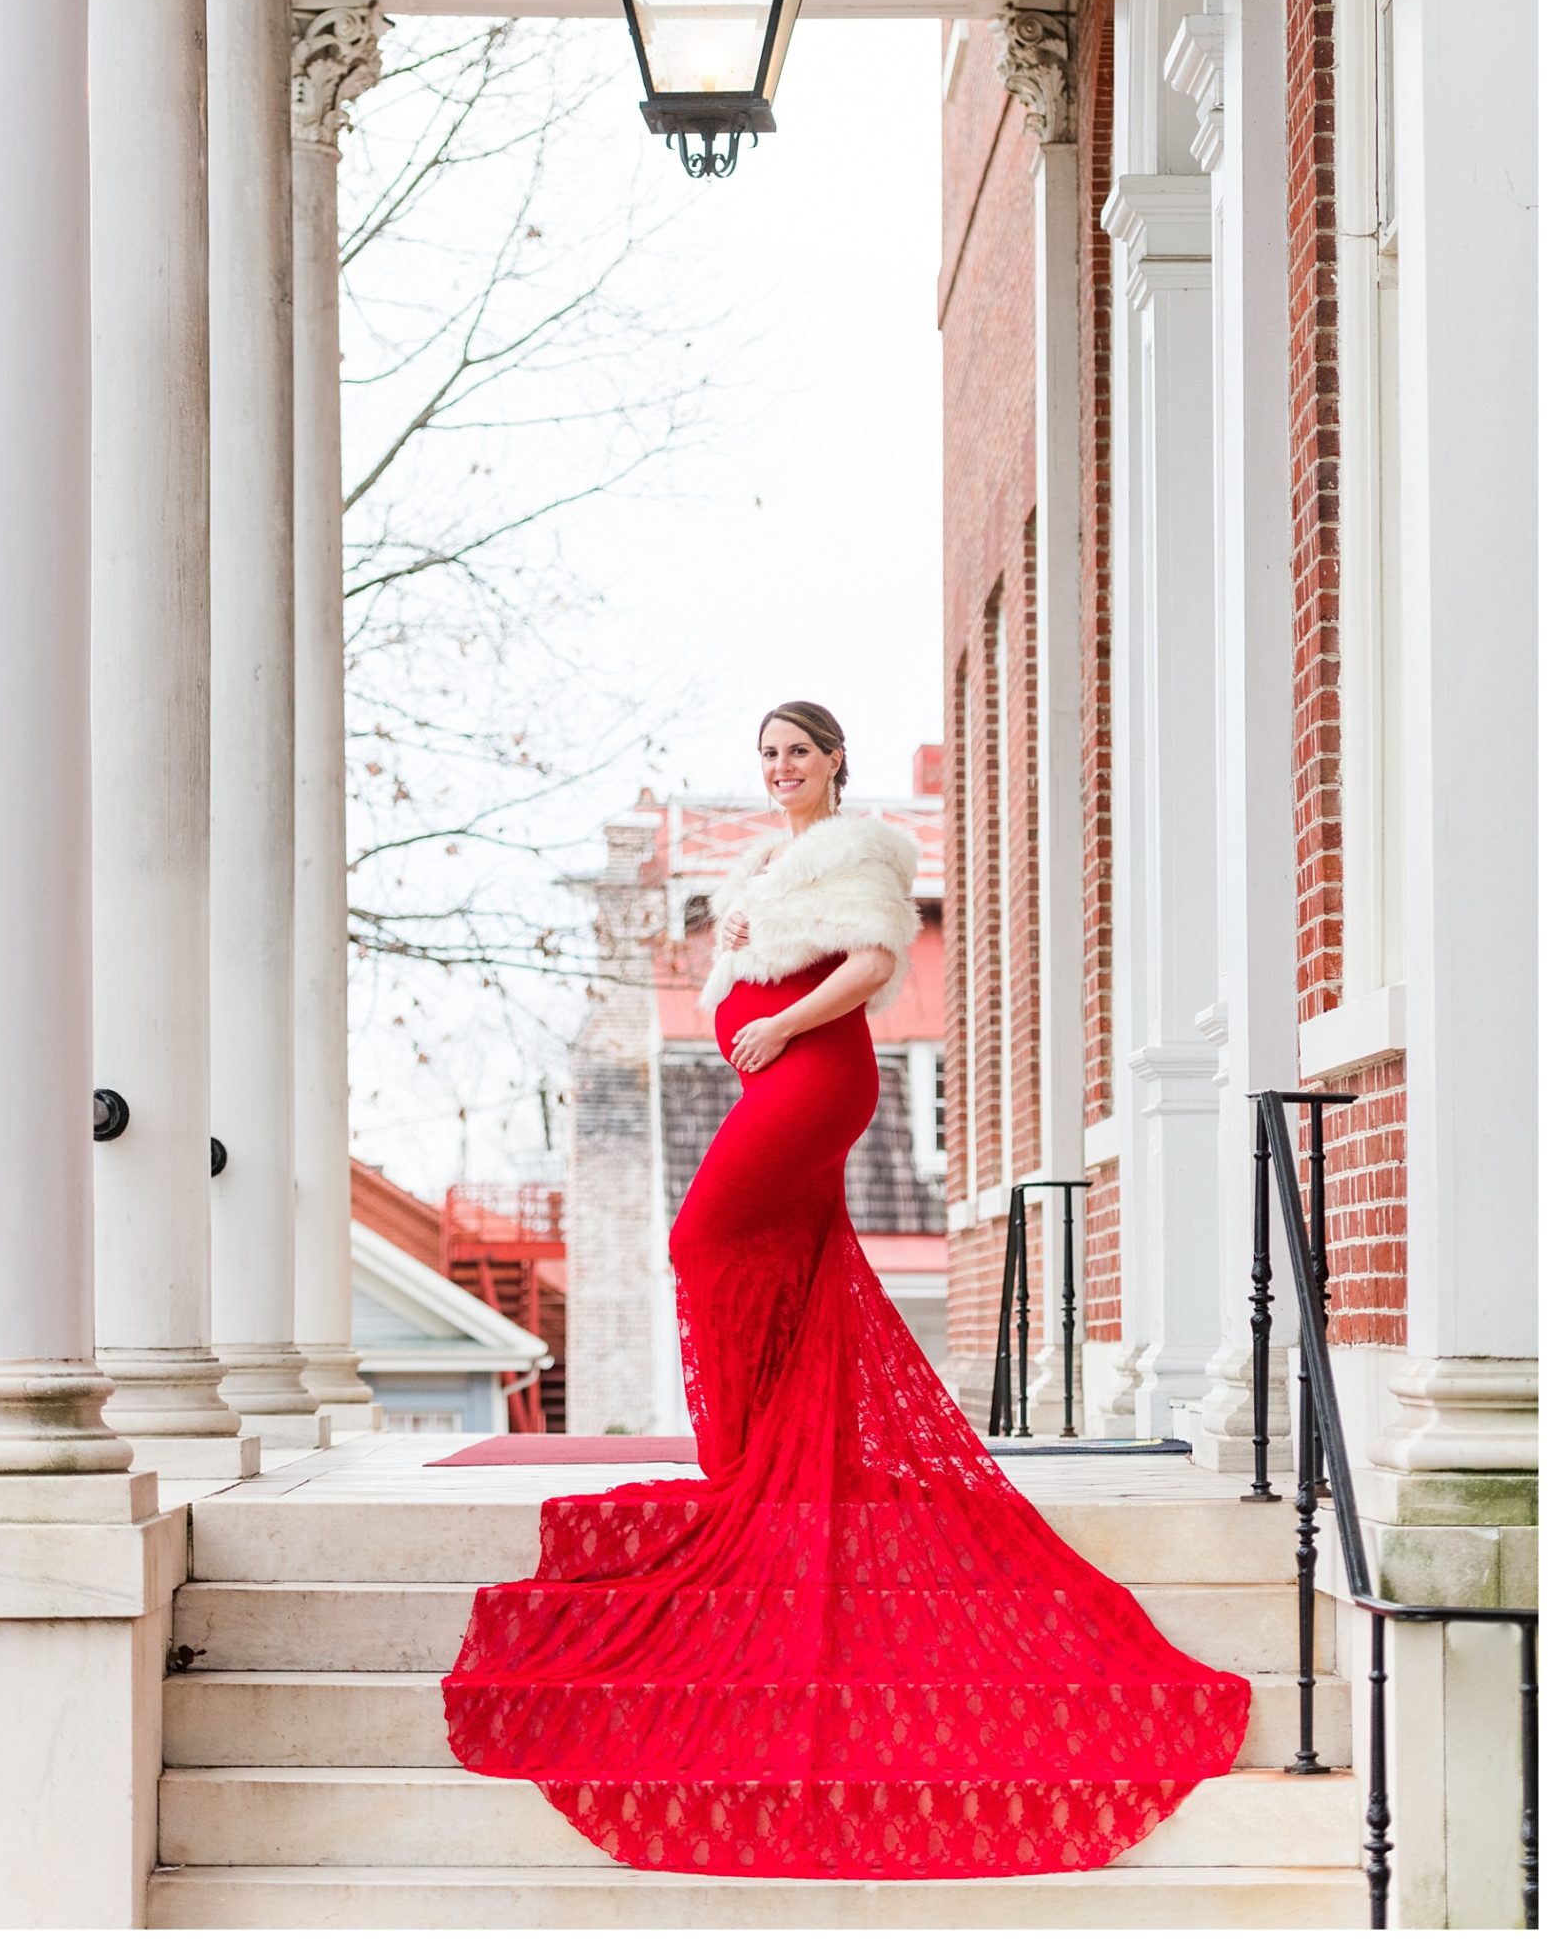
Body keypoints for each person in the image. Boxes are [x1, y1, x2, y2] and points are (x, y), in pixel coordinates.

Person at [444, 702, 1248, 1878]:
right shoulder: (763, 860)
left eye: (799, 754)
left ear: (834, 763)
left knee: (697, 1240)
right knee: (778, 1259)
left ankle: (746, 1453)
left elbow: (873, 965)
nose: (781, 770)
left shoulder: (861, 849)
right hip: (780, 1071)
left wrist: (775, 1023)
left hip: (818, 1075)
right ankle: (769, 1445)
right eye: (767, 756)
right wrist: (756, 1023)